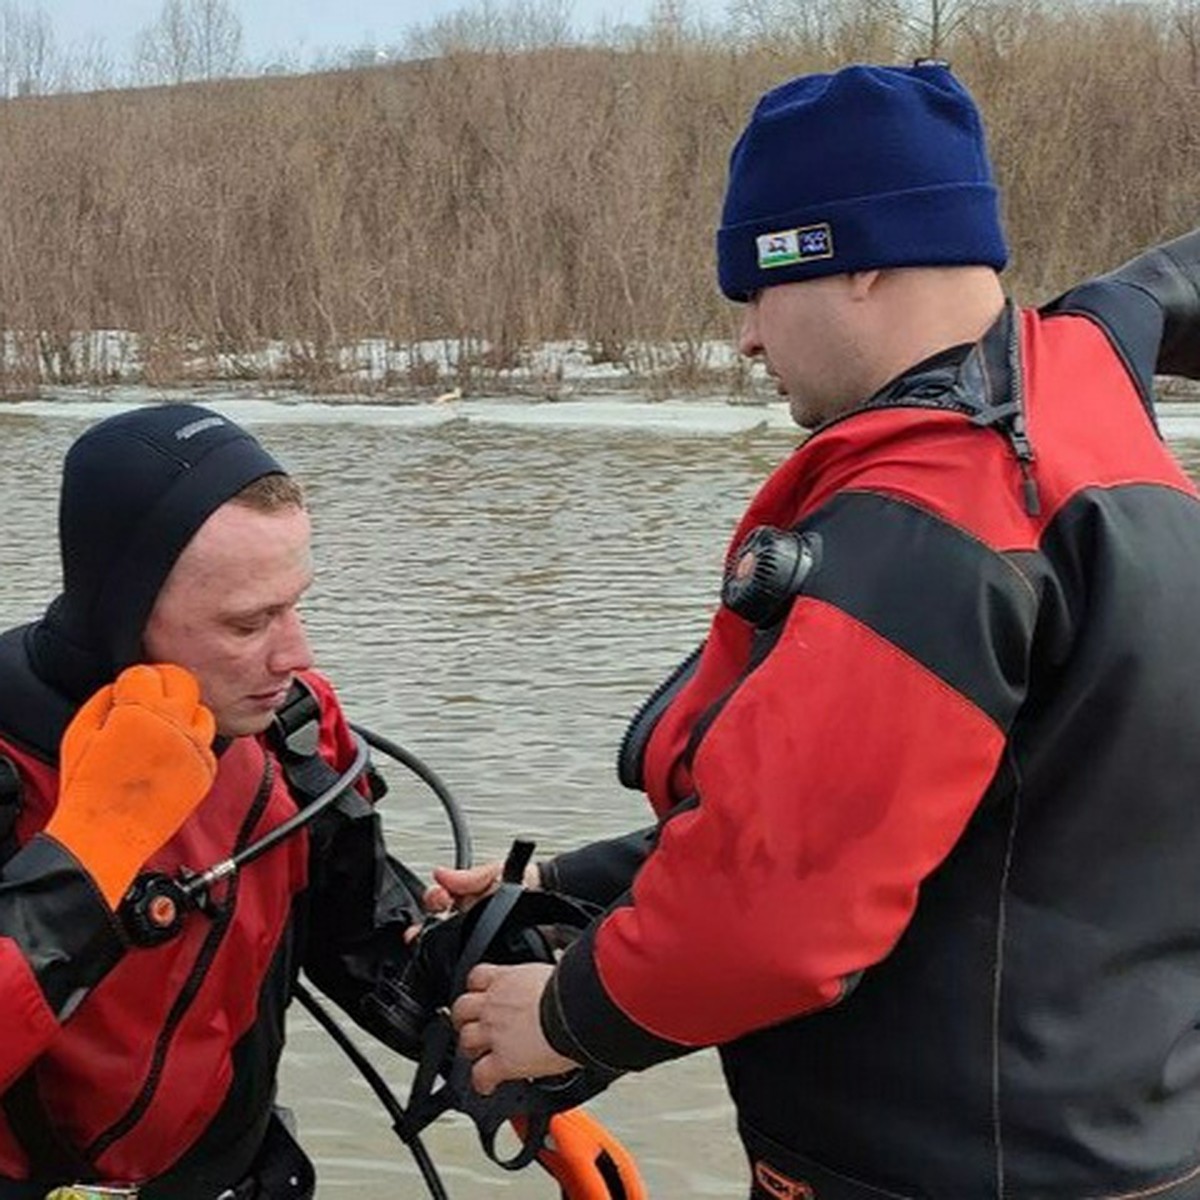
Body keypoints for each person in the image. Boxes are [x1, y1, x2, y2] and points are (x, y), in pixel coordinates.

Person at [447, 61, 1200, 1198]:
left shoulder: (933, 522)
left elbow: (775, 912)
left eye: (754, 288)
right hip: (1129, 1141)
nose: (747, 337)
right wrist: (573, 877)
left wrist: (563, 1016)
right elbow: (951, 827)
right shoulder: (1081, 398)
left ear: (852, 263)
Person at [0, 405, 423, 1198]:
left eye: (296, 603)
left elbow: (369, 942)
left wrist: (535, 1033)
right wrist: (88, 854)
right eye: (247, 623)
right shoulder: (9, 755)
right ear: (122, 615)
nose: (297, 654)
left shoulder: (291, 726)